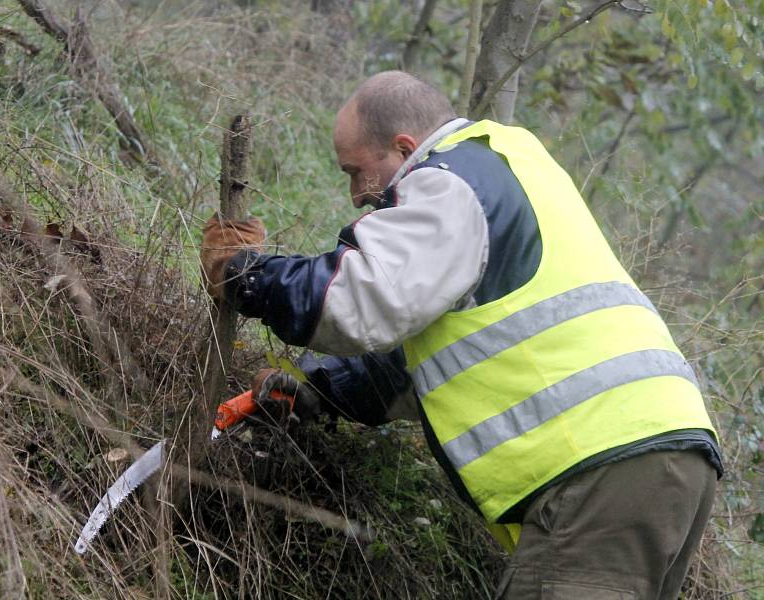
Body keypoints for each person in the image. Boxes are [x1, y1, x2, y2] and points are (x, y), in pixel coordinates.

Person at [200, 71, 722, 599]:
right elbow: (438, 356)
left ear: (405, 147)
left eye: (356, 171)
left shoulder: (448, 180)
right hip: (665, 455)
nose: (357, 193)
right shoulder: (514, 161)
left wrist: (245, 275)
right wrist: (318, 390)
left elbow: (358, 299)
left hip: (597, 466)